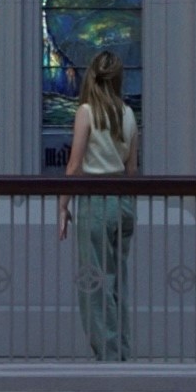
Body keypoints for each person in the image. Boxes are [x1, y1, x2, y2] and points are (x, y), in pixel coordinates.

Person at [56, 50, 139, 361]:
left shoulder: (86, 113)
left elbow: (74, 165)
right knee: (117, 282)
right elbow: (132, 170)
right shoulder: (129, 114)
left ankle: (108, 357)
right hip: (123, 203)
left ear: (91, 76)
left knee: (93, 285)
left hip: (94, 202)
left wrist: (63, 206)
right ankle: (123, 355)